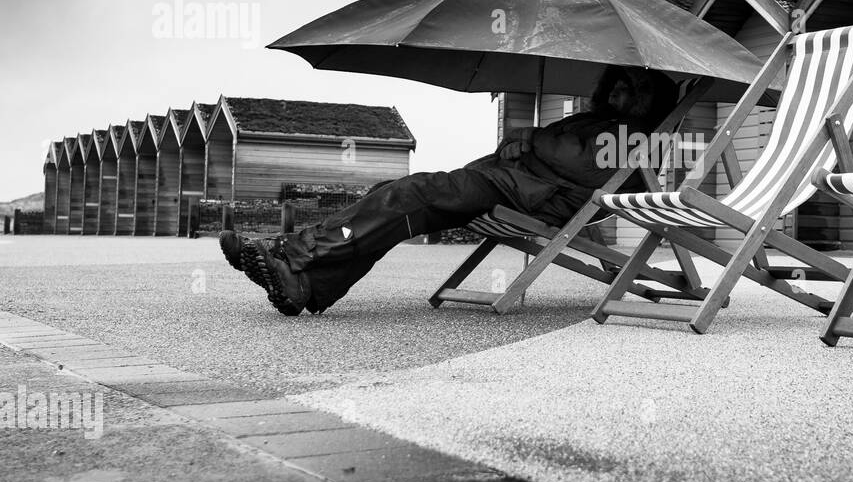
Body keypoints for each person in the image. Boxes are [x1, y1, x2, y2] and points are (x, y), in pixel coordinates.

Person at [219, 66, 677, 316]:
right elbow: (555, 147)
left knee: (413, 192)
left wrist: (532, 138)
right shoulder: (592, 120)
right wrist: (529, 140)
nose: (617, 92)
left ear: (649, 98)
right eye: (614, 85)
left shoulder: (638, 136)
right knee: (397, 193)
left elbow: (578, 162)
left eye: (629, 88)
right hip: (506, 184)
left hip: (534, 198)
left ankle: (293, 253)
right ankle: (305, 285)